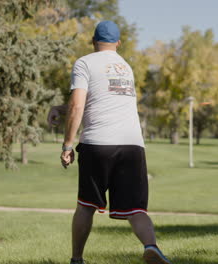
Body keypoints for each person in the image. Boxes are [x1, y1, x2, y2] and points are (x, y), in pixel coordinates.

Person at [53, 20, 172, 264]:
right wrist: (60, 108)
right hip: (132, 145)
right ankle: (151, 247)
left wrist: (67, 144)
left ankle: (77, 259)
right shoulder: (126, 67)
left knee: (86, 205)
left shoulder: (85, 62)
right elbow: (100, 101)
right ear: (118, 43)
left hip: (98, 143)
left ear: (93, 40)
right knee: (136, 208)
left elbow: (78, 104)